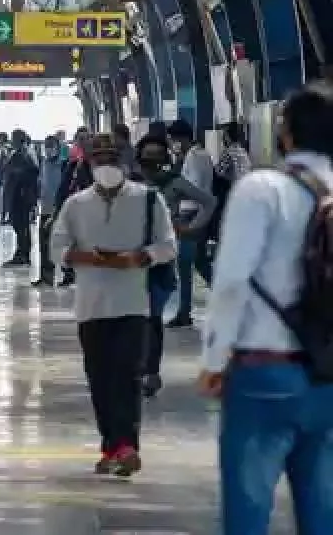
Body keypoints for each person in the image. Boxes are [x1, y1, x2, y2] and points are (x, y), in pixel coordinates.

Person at [198, 83, 333, 534]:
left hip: (265, 370)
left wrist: (214, 360)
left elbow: (233, 279)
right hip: (329, 376)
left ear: (288, 134)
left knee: (249, 509)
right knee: (324, 511)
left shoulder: (262, 189)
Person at [50, 133, 177, 477]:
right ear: (90, 164)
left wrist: (141, 257)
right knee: (100, 379)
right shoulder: (75, 205)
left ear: (124, 163)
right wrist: (82, 256)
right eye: (99, 160)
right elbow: (55, 247)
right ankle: (110, 445)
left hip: (133, 304)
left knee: (127, 376)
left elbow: (168, 246)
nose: (106, 166)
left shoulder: (149, 200)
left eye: (111, 160)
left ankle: (127, 446)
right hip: (91, 307)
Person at [135, 135, 215, 397]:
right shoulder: (129, 184)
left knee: (153, 317)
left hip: (160, 258)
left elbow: (209, 201)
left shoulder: (173, 183)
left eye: (158, 156)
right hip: (131, 259)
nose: (153, 162)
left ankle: (150, 371)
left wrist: (190, 228)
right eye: (148, 156)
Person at [167, 119, 215, 328]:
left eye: (174, 140)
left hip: (191, 214)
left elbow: (192, 186)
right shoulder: (201, 155)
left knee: (184, 265)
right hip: (198, 213)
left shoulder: (194, 158)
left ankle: (184, 312)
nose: (172, 145)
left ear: (182, 138)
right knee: (201, 262)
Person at [54, 128, 94, 287]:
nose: (84, 143)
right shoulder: (72, 165)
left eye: (86, 139)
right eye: (81, 140)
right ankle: (69, 274)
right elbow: (63, 188)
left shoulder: (100, 164)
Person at [33, 134, 67, 286]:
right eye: (46, 146)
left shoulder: (64, 165)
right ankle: (46, 276)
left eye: (51, 146)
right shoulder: (44, 163)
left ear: (57, 148)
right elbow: (41, 184)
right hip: (45, 208)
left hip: (60, 210)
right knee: (44, 243)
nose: (48, 150)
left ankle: (68, 274)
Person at [2, 129, 39, 267]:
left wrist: (17, 174)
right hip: (18, 193)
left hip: (22, 194)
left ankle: (23, 254)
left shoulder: (25, 153)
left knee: (21, 224)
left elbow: (33, 171)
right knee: (20, 225)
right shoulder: (21, 152)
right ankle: (22, 252)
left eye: (14, 138)